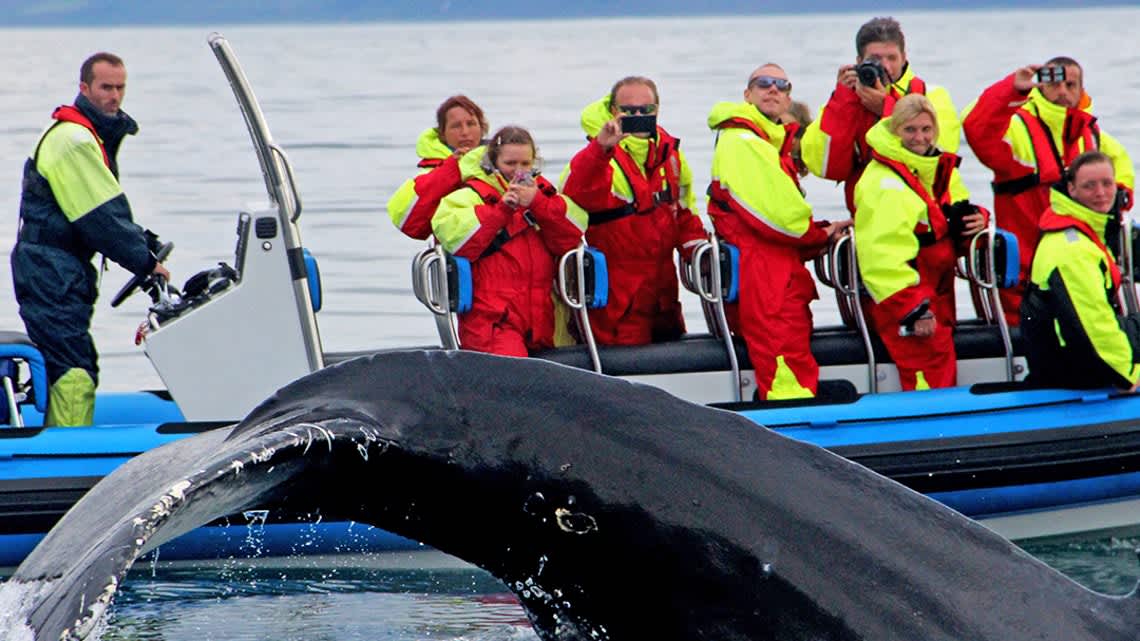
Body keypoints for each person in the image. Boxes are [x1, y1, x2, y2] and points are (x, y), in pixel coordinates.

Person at [11, 52, 170, 427]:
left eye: (120, 88)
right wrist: (146, 262)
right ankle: (63, 460)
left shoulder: (87, 135)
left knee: (75, 359)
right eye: (105, 87)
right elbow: (102, 218)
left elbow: (104, 211)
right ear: (84, 88)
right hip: (50, 271)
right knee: (74, 370)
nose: (114, 96)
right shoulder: (73, 140)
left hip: (58, 269)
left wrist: (145, 243)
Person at [706, 64, 847, 400]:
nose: (773, 89)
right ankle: (797, 441)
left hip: (776, 276)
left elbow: (777, 219)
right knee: (785, 375)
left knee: (791, 367)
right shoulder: (743, 141)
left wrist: (822, 232)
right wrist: (818, 234)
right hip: (769, 283)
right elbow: (782, 220)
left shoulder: (764, 143)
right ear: (747, 94)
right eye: (763, 84)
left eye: (782, 85)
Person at [963, 58, 1135, 325]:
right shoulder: (1017, 127)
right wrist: (1012, 89)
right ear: (1040, 86)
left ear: (1081, 89)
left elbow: (1121, 166)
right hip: (1027, 274)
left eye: (1071, 85)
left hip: (1085, 267)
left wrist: (1120, 195)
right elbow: (978, 128)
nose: (1063, 91)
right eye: (1055, 84)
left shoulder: (1091, 133)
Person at [853, 95, 987, 391]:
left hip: (933, 298)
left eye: (926, 129)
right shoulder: (886, 183)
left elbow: (948, 216)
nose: (920, 137)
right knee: (928, 379)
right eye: (910, 130)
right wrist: (914, 309)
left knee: (937, 371)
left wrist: (977, 218)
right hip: (908, 302)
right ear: (895, 131)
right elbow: (882, 257)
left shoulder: (926, 171)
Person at [560, 76, 707, 345]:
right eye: (629, 111)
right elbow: (577, 191)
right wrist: (602, 148)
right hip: (619, 300)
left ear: (657, 110)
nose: (638, 115)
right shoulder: (597, 155)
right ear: (615, 112)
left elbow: (685, 212)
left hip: (663, 294)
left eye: (646, 110)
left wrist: (701, 255)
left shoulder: (670, 155)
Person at [431, 126, 587, 356]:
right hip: (493, 321)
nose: (518, 171)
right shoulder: (465, 197)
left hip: (542, 318)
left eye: (525, 164)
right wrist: (502, 210)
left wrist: (538, 203)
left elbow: (571, 236)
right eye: (510, 164)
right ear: (493, 162)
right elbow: (460, 243)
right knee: (516, 375)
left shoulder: (546, 195)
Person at [800, 16, 960, 215]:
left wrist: (888, 109)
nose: (885, 66)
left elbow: (936, 158)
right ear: (859, 62)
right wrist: (843, 100)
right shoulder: (846, 101)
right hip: (871, 216)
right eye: (875, 59)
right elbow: (824, 166)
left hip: (930, 213)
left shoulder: (931, 95)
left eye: (892, 58)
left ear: (904, 57)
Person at [1021, 151, 1140, 391]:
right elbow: (1093, 324)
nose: (1101, 193)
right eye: (1089, 186)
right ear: (1072, 189)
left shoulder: (1084, 230)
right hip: (1071, 366)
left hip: (1072, 353)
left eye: (1107, 183)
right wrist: (1128, 375)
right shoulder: (1072, 249)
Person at [387, 95, 489, 240]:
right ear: (443, 134)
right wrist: (453, 167)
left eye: (471, 124)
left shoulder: (505, 160)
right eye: (456, 126)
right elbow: (409, 224)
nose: (465, 132)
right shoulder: (433, 170)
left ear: (482, 128)